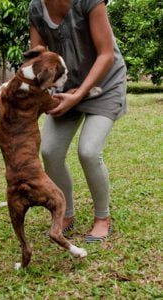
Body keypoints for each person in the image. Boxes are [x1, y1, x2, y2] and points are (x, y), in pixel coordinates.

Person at [29, 0, 127, 242]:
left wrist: (80, 94)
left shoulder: (89, 2)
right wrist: (12, 89)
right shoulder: (36, 7)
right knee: (50, 151)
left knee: (89, 151)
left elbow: (106, 55)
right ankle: (66, 215)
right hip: (66, 87)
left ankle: (102, 218)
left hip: (105, 83)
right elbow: (36, 56)